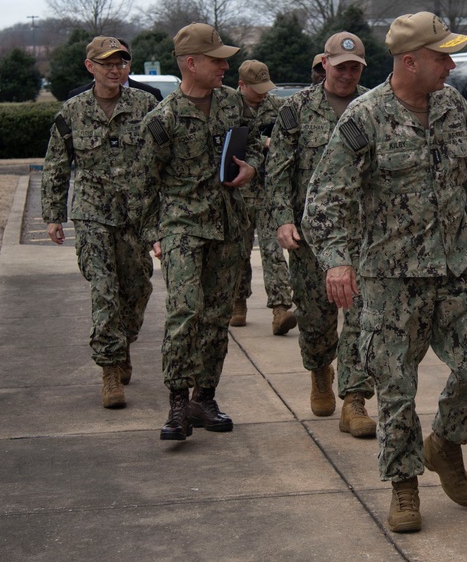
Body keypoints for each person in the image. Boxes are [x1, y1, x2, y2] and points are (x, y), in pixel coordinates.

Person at [301, 13, 467, 533]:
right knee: (394, 387)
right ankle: (404, 485)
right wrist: (338, 261)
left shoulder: (454, 107)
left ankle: (446, 444)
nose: (451, 65)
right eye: (442, 57)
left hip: (457, 267)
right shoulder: (363, 119)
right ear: (410, 61)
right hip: (391, 277)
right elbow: (325, 200)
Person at [138, 23, 263, 441]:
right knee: (185, 312)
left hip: (228, 226)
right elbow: (143, 183)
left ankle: (203, 397)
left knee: (215, 318)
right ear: (191, 63)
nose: (226, 66)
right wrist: (154, 233)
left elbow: (259, 141)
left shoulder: (232, 104)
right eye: (217, 60)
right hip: (182, 227)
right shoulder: (162, 120)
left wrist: (252, 168)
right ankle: (177, 404)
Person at [267, 32, 375, 438]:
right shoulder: (295, 110)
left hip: (365, 234)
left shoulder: (374, 106)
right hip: (312, 234)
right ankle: (319, 370)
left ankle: (355, 400)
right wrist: (282, 219)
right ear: (324, 64)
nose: (348, 74)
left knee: (364, 317)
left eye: (355, 68)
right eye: (341, 66)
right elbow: (278, 170)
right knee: (315, 320)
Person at [41, 36, 158, 409]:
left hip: (135, 215)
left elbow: (166, 157)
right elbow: (57, 164)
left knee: (138, 288)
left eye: (121, 62)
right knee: (104, 289)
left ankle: (123, 344)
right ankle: (109, 369)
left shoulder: (147, 105)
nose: (115, 69)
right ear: (90, 66)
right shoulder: (72, 111)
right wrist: (53, 215)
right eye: (107, 63)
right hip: (92, 213)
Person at [232, 59, 297, 335]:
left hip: (270, 191)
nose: (262, 94)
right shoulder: (229, 108)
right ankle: (237, 302)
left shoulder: (278, 108)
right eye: (256, 88)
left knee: (273, 251)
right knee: (238, 251)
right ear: (241, 85)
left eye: (265, 87)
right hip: (239, 191)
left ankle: (280, 309)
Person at [69, 38, 164, 101]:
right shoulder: (73, 107)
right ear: (90, 66)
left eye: (119, 64)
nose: (115, 71)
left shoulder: (146, 102)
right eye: (107, 64)